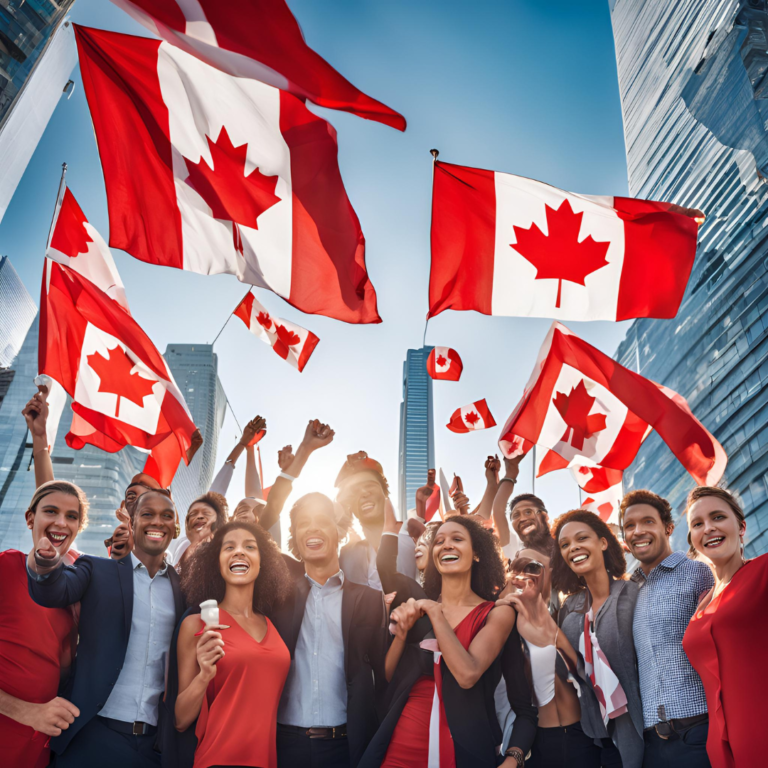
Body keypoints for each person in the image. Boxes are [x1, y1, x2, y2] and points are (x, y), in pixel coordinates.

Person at [27, 489, 186, 767]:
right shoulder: (96, 569)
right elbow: (54, 591)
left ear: (175, 527)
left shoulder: (184, 588)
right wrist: (45, 562)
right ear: (132, 524)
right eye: (147, 514)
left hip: (152, 746)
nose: (157, 522)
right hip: (90, 735)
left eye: (167, 516)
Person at [361, 516, 536, 768]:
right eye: (439, 541)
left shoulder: (497, 613)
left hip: (464, 751)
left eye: (457, 539)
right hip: (402, 742)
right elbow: (386, 678)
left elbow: (468, 674)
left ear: (476, 554)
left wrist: (514, 758)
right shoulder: (416, 609)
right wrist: (400, 634)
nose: (446, 545)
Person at [272, 491, 388, 768]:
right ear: (297, 541)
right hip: (284, 744)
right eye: (303, 523)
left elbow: (382, 676)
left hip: (345, 747)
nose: (312, 528)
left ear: (338, 532)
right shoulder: (277, 599)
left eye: (322, 521)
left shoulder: (369, 599)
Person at [174, 521, 292, 768]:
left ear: (263, 561)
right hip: (217, 760)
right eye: (229, 547)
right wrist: (204, 675)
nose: (239, 551)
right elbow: (181, 719)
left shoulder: (273, 626)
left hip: (267, 761)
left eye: (250, 546)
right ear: (217, 562)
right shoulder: (196, 625)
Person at [620, 489, 714, 767]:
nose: (638, 531)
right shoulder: (626, 591)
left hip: (699, 733)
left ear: (668, 528)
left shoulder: (699, 572)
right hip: (650, 746)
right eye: (629, 526)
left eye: (648, 522)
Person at [0, 481, 88, 768]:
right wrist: (26, 712)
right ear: (30, 519)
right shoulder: (4, 567)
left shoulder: (74, 592)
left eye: (72, 516)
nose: (61, 522)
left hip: (38, 747)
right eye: (51, 511)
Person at [683, 486, 768, 768]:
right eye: (698, 524)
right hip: (720, 745)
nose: (708, 528)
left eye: (717, 517)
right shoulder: (702, 600)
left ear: (741, 527)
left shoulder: (764, 571)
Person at [551, 509, 643, 768]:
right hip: (596, 740)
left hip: (641, 734)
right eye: (565, 545)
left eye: (582, 539)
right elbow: (567, 672)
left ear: (603, 542)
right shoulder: (569, 608)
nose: (573, 548)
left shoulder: (634, 594)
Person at [497, 547, 596, 767]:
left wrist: (548, 631)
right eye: (516, 567)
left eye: (533, 567)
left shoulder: (569, 613)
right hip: (537, 740)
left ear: (552, 571)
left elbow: (583, 675)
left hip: (582, 734)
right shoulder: (506, 611)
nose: (524, 573)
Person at [335, 451, 417, 587]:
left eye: (369, 485)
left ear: (385, 493)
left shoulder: (413, 540)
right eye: (354, 491)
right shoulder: (346, 556)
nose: (364, 493)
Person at [492, 456, 553, 558]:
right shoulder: (514, 551)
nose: (522, 519)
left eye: (528, 512)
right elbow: (498, 509)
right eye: (516, 515)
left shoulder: (565, 545)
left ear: (545, 516)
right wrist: (511, 473)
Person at [171, 492, 229, 570]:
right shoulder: (184, 545)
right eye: (193, 513)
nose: (199, 516)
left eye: (206, 513)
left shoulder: (225, 553)